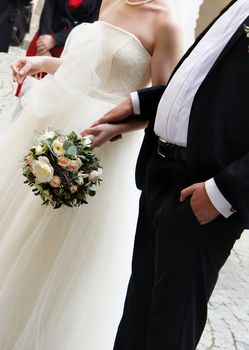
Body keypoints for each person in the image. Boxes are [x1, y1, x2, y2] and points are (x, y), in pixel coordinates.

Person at [0, 0, 201, 349]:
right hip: (57, 123)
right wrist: (41, 63)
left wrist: (113, 129)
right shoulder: (110, 0)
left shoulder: (167, 23)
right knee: (23, 224)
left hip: (104, 144)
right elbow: (90, 69)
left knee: (67, 248)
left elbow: (162, 104)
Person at [84, 0, 249, 348]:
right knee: (135, 321)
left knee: (168, 334)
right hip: (160, 174)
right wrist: (139, 103)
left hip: (203, 196)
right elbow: (200, 85)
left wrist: (225, 193)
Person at [15, 0, 102, 96]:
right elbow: (48, 8)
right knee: (26, 86)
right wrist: (43, 43)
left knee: (51, 93)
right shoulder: (43, 40)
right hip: (44, 36)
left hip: (70, 46)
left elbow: (92, 23)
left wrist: (55, 40)